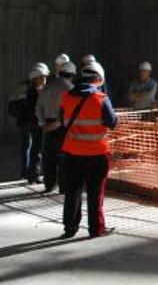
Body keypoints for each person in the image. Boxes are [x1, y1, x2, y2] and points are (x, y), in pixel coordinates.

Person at [59, 61, 117, 239]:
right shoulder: (100, 98)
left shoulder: (66, 96)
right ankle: (96, 229)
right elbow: (112, 122)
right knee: (95, 194)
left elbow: (62, 122)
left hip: (71, 154)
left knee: (72, 192)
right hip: (97, 156)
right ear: (99, 79)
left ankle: (70, 228)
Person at [37, 60, 76, 193]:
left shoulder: (47, 86)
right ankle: (64, 187)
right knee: (64, 157)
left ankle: (49, 185)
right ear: (72, 74)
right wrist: (58, 123)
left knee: (48, 157)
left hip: (47, 125)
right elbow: (69, 111)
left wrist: (43, 124)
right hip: (63, 127)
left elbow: (38, 107)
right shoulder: (71, 89)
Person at [9, 63, 49, 183]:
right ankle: (34, 174)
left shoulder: (23, 88)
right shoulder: (38, 91)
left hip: (22, 123)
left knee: (25, 147)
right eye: (43, 77)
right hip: (34, 123)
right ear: (37, 77)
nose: (44, 79)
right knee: (36, 149)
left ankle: (25, 172)